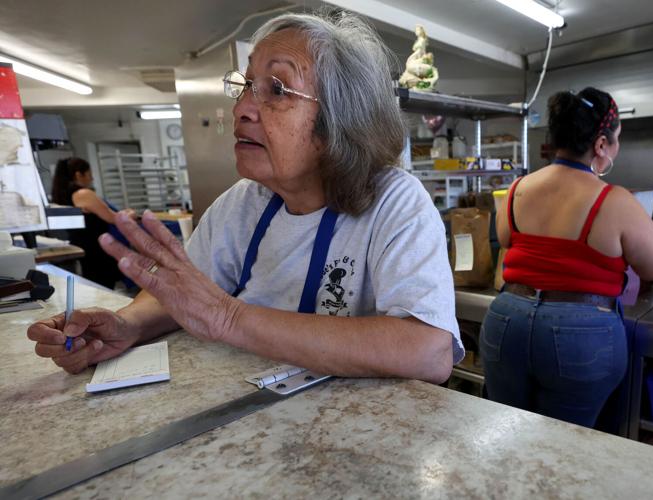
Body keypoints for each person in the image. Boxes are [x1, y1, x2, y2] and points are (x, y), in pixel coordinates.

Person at [28, 11, 463, 384]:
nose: (241, 109)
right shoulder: (245, 201)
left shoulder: (394, 202)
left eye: (276, 89)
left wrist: (228, 318)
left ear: (340, 118)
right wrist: (127, 325)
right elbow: (186, 294)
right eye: (246, 85)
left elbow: (427, 350)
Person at [480, 88, 653, 427]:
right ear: (601, 144)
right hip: (578, 336)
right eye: (616, 140)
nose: (616, 147)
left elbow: (506, 239)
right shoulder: (613, 200)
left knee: (508, 436)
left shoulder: (517, 189)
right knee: (565, 446)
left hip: (507, 320)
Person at [50, 157, 132, 289]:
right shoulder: (83, 194)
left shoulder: (61, 195)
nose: (92, 178)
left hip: (83, 246)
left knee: (95, 287)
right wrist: (130, 214)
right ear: (78, 174)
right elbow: (112, 218)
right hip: (97, 250)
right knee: (103, 286)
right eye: (89, 174)